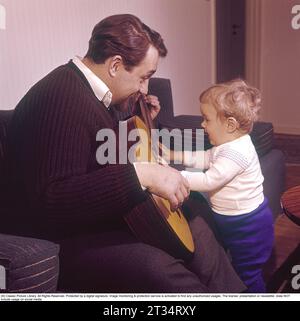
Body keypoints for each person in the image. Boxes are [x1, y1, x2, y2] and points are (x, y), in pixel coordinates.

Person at [4, 14, 245, 293]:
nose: (145, 88)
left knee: (195, 216)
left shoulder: (97, 94)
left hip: (91, 216)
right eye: (143, 78)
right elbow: (52, 200)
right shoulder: (60, 95)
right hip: (55, 236)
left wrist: (141, 117)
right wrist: (141, 174)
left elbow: (101, 145)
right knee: (155, 267)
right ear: (116, 65)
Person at [166, 79, 274, 292]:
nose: (202, 125)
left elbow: (209, 180)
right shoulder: (226, 145)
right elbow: (206, 158)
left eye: (206, 119)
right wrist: (174, 154)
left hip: (248, 226)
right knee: (233, 265)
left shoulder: (237, 152)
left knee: (248, 274)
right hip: (233, 221)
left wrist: (174, 176)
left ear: (230, 124)